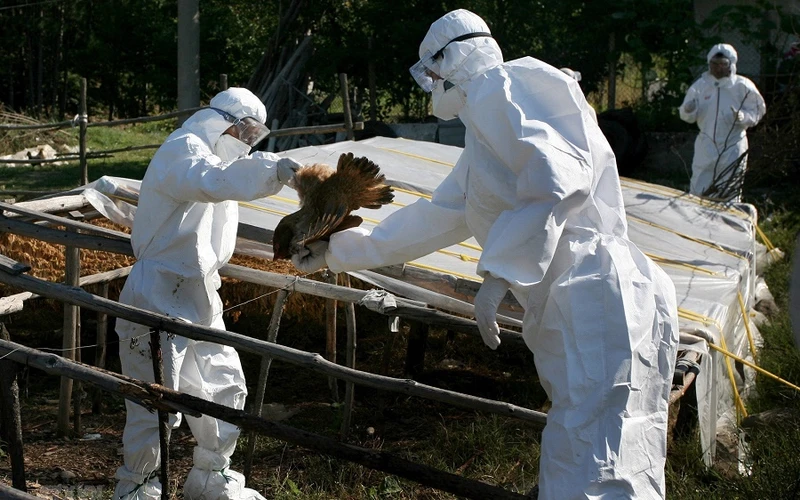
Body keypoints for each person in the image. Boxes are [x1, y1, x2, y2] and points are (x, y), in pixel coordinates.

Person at [292, 9, 679, 499]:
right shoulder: (484, 137)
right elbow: (438, 216)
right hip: (592, 295)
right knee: (600, 456)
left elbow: (556, 180)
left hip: (598, 291)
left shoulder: (502, 88)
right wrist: (339, 251)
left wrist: (499, 272)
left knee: (598, 464)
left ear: (453, 61)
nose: (428, 86)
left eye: (429, 74)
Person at [113, 87, 304, 499]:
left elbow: (225, 181)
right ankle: (139, 487)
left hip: (201, 291)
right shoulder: (183, 149)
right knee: (154, 400)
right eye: (245, 131)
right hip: (158, 290)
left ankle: (211, 478)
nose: (248, 142)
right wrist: (275, 170)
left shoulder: (219, 160)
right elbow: (210, 181)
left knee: (222, 382)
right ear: (222, 120)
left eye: (256, 136)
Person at [679, 43, 766, 202]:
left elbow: (757, 111)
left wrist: (743, 117)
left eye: (722, 64)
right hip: (706, 142)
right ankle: (695, 221)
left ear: (731, 65)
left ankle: (726, 221)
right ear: (709, 64)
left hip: (733, 143)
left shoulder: (742, 86)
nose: (718, 68)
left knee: (730, 184)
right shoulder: (700, 86)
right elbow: (687, 116)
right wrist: (688, 110)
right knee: (700, 182)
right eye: (714, 64)